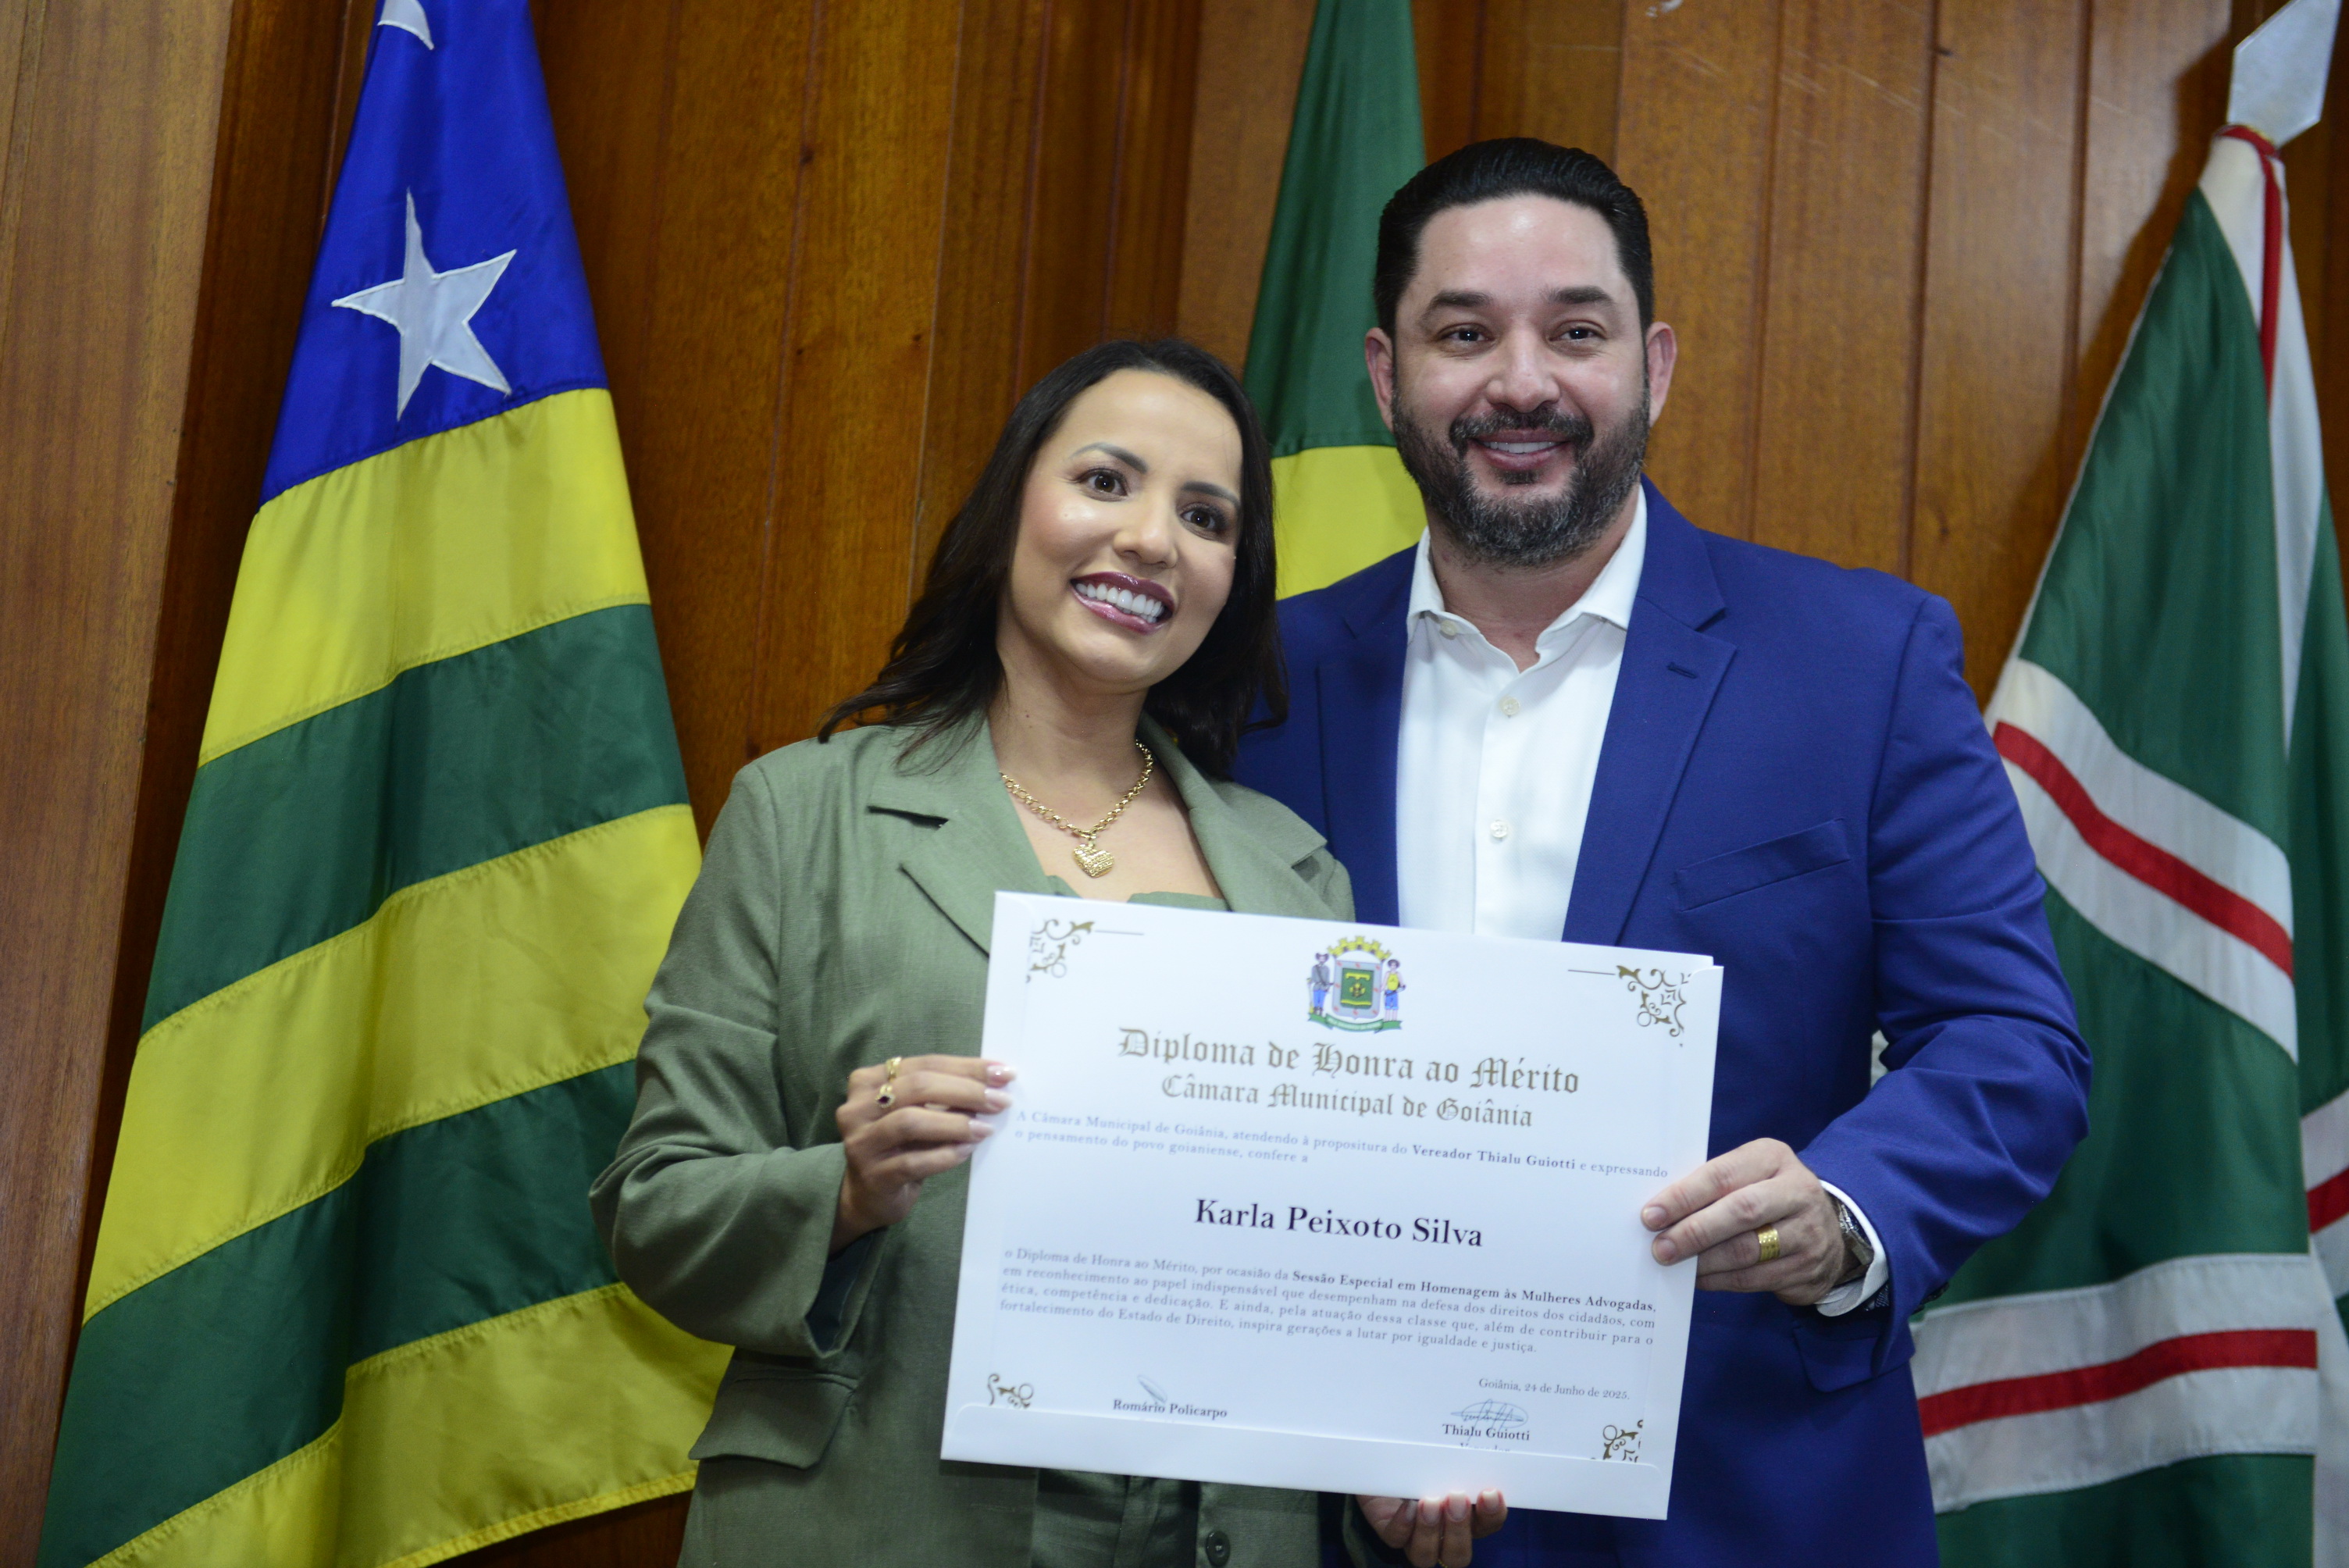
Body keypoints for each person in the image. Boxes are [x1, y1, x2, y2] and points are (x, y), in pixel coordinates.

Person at [1235, 140, 2090, 1566]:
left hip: (1744, 1500)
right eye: (1465, 334)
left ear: (1657, 365)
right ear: (1386, 377)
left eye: (1576, 331)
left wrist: (1843, 1214)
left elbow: (2013, 1045)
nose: (1522, 383)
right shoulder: (1253, 686)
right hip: (1341, 1505)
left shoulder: (1861, 663)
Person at [590, 338, 1497, 1568]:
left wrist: (1375, 1474)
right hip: (878, 1518)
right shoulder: (802, 814)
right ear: (1013, 505)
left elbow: (1317, 1262)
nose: (1152, 540)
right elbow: (655, 1208)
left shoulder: (1300, 878)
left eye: (1207, 516)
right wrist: (846, 1189)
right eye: (1106, 482)